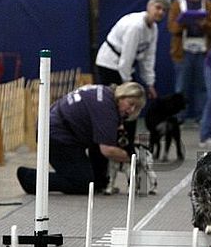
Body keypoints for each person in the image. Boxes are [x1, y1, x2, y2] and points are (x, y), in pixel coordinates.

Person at [16, 82, 146, 194]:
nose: (131, 110)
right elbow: (108, 150)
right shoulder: (106, 109)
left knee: (101, 142)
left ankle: (100, 182)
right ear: (122, 96)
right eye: (130, 104)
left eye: (136, 108)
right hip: (56, 136)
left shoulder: (106, 93)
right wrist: (134, 158)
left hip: (56, 128)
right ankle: (30, 178)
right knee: (83, 183)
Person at [95, 0, 172, 99]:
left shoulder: (153, 28)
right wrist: (128, 84)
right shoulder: (135, 27)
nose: (160, 12)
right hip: (108, 64)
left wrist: (150, 83)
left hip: (124, 65)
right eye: (158, 8)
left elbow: (148, 58)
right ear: (149, 6)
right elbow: (127, 58)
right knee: (117, 101)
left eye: (164, 10)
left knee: (135, 98)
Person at [168, 0, 211, 122]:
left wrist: (205, 24)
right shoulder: (178, 4)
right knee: (181, 87)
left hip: (203, 51)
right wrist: (184, 22)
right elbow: (171, 27)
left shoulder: (207, 4)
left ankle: (201, 117)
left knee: (202, 86)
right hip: (183, 51)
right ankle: (179, 117)